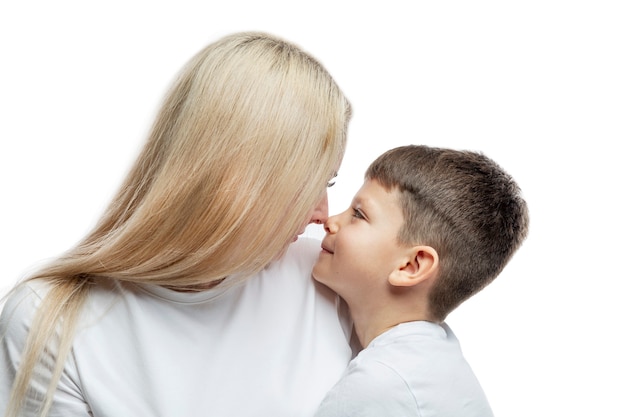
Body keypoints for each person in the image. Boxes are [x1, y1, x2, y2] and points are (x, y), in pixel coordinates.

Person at [0, 32, 353, 417]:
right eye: (307, 184)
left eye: (328, 183)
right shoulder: (49, 321)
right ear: (235, 177)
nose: (323, 213)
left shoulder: (332, 277)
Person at [312, 145, 530, 417]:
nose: (331, 221)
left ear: (411, 266)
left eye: (358, 215)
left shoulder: (381, 383)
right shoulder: (435, 358)